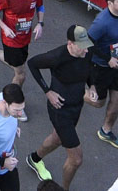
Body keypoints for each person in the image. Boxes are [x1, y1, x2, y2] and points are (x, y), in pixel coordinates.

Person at [26, 25, 96, 190]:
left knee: (57, 138)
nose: (86, 51)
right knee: (76, 159)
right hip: (60, 110)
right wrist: (48, 91)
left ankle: (34, 159)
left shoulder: (87, 51)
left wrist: (91, 86)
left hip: (76, 106)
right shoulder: (57, 56)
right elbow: (32, 64)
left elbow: (89, 70)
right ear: (70, 43)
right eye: (82, 47)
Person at [87, 0, 118, 147]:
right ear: (110, 3)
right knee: (99, 103)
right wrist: (107, 59)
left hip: (116, 64)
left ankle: (106, 131)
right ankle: (76, 92)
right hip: (100, 67)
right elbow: (88, 43)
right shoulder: (101, 22)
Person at [0, 0, 45, 87]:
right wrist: (4, 27)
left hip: (25, 37)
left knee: (17, 62)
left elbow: (40, 7)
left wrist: (40, 24)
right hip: (11, 39)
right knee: (21, 74)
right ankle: (13, 100)